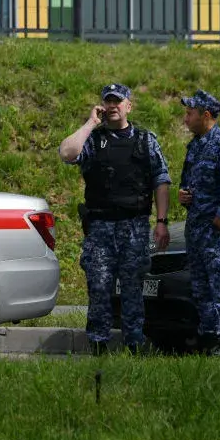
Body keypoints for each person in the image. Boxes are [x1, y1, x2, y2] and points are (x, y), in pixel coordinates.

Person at [60, 83, 171, 354]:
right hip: (100, 228)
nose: (112, 106)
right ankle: (98, 345)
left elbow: (161, 180)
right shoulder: (94, 141)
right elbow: (67, 153)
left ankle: (134, 345)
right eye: (107, 102)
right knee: (99, 286)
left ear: (128, 106)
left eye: (117, 101)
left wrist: (161, 221)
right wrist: (89, 123)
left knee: (133, 287)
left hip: (133, 226)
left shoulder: (145, 141)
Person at [178, 89, 220, 357]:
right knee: (201, 288)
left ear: (205, 115)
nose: (186, 119)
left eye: (189, 113)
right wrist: (184, 195)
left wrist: (219, 220)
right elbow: (191, 182)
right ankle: (211, 342)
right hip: (196, 229)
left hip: (217, 232)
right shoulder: (195, 145)